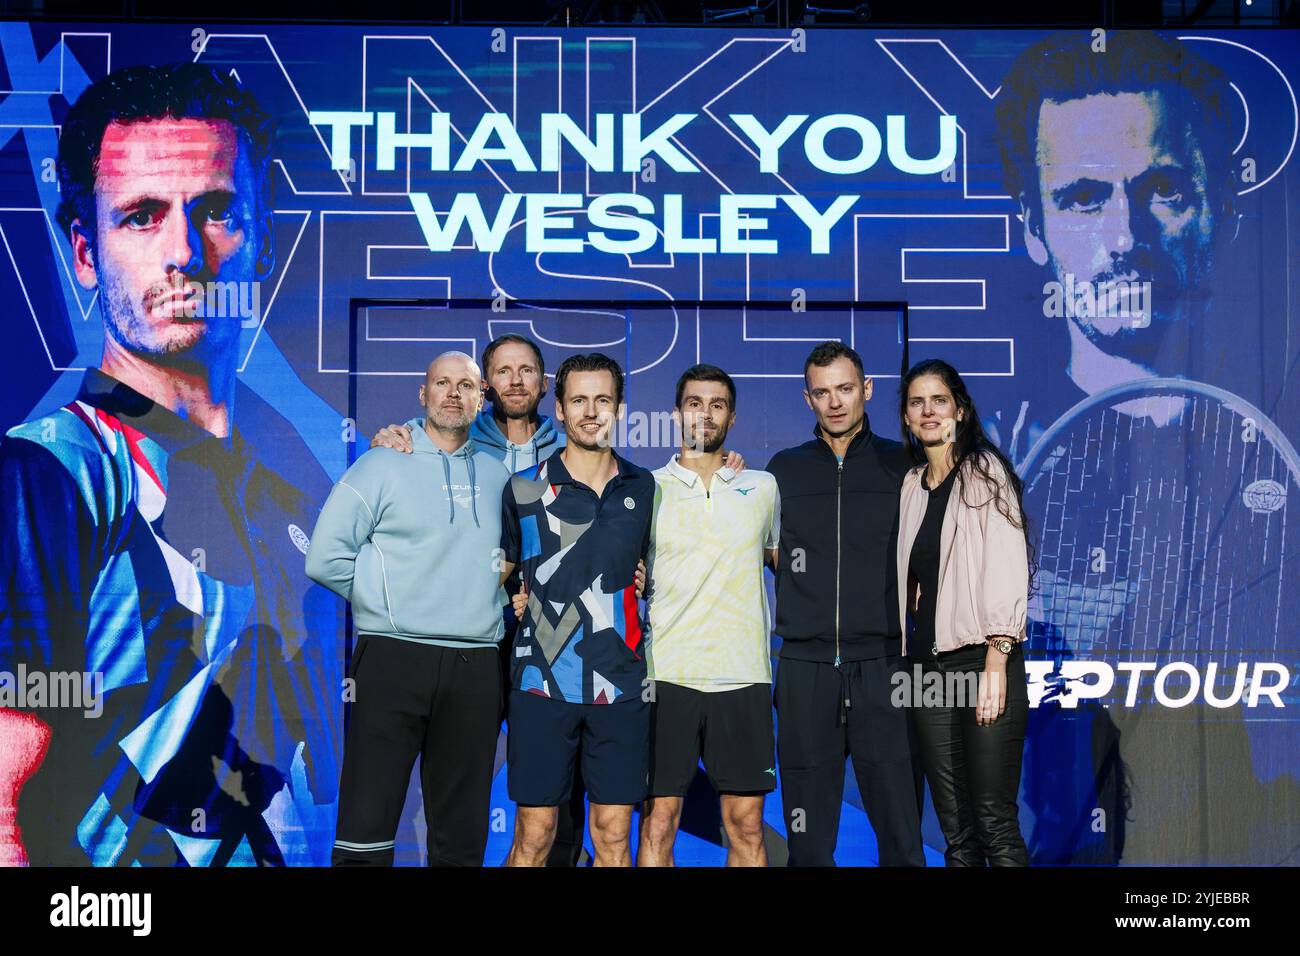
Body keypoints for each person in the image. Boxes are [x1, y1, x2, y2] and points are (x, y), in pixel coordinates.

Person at [0, 63, 339, 866]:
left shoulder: (306, 475)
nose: (183, 253)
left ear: (263, 240)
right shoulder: (49, 474)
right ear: (85, 253)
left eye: (216, 211)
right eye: (142, 217)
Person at [993, 29, 1300, 865]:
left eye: (1163, 189)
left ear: (1223, 205)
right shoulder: (993, 459)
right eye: (1086, 196)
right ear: (1034, 227)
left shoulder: (1277, 448)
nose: (1126, 236)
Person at [307, 351, 509, 866]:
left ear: (481, 398)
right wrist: (386, 601)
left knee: (461, 837)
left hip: (476, 667)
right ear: (423, 394)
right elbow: (324, 557)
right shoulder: (381, 461)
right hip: (393, 660)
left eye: (466, 385)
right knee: (366, 826)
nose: (453, 393)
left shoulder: (499, 474)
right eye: (441, 382)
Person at [765, 341, 925, 867]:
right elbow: (760, 551)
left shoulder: (905, 466)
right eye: (822, 392)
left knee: (902, 839)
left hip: (887, 666)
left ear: (867, 390)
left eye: (845, 389)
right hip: (805, 670)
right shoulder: (781, 471)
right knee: (808, 846)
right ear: (807, 398)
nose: (835, 402)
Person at [497, 353, 655, 867]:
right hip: (541, 684)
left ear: (619, 408)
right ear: (560, 410)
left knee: (612, 836)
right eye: (579, 400)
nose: (591, 411)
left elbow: (661, 569)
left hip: (621, 684)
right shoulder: (523, 488)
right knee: (535, 834)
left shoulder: (645, 488)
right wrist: (513, 597)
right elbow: (500, 575)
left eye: (603, 400)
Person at [635, 365, 780, 867]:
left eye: (717, 404)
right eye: (694, 402)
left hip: (743, 678)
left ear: (732, 417)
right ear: (677, 413)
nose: (705, 413)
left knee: (746, 828)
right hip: (666, 675)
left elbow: (789, 563)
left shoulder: (762, 488)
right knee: (658, 825)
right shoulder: (644, 488)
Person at [896, 359, 1030, 866]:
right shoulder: (910, 486)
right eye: (916, 402)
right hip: (926, 673)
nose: (928, 411)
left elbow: (1007, 564)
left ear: (960, 410)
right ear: (906, 417)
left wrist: (998, 658)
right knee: (957, 833)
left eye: (939, 400)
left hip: (982, 663)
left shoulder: (985, 472)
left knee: (994, 821)